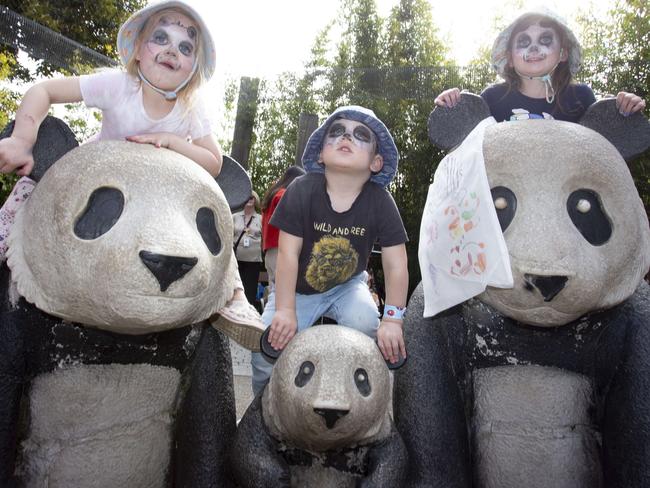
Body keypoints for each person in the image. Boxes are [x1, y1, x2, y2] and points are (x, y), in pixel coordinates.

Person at [0, 0, 263, 348]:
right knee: (26, 195)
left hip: (159, 200)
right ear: (138, 49)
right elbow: (44, 90)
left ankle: (234, 296)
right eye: (161, 38)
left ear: (193, 67)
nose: (173, 50)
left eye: (185, 47)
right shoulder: (118, 85)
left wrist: (171, 142)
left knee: (213, 213)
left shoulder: (190, 107)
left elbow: (214, 162)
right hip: (100, 178)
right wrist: (22, 136)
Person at [251, 105, 409, 394]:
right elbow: (287, 254)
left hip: (348, 286)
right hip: (296, 290)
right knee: (264, 348)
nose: (345, 137)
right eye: (335, 132)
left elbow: (396, 263)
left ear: (375, 162)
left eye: (360, 134)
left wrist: (393, 319)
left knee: (369, 328)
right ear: (321, 154)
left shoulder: (380, 200)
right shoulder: (301, 189)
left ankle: (370, 409)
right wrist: (285, 310)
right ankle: (261, 411)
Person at [434, 8, 646, 122]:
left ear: (563, 53)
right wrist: (452, 105)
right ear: (509, 57)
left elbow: (604, 148)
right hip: (506, 202)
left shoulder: (580, 98)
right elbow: (468, 149)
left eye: (545, 40)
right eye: (524, 41)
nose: (534, 48)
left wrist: (623, 110)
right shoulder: (492, 99)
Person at [260, 165, 305, 290]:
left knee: (274, 292)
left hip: (271, 252)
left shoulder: (272, 196)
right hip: (282, 252)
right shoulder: (284, 195)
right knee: (284, 294)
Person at [233, 191, 263, 311]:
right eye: (247, 197)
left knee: (250, 291)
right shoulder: (234, 217)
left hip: (253, 261)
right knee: (235, 290)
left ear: (255, 200)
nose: (250, 199)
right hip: (236, 261)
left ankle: (247, 315)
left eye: (252, 197)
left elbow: (265, 238)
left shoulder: (261, 218)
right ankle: (234, 315)